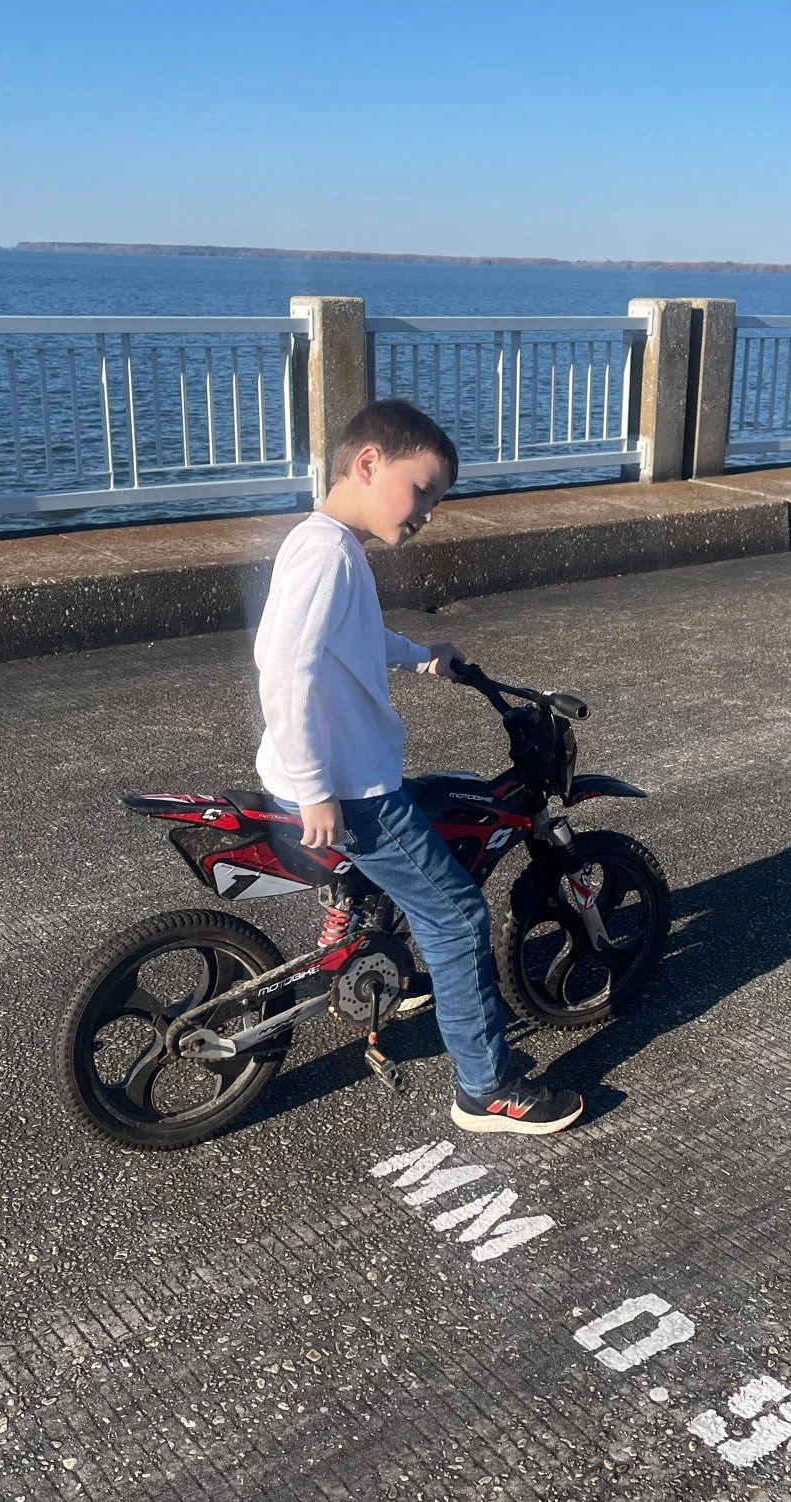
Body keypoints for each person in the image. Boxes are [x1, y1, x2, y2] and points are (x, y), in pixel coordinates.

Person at [253, 398, 584, 1135]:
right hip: (348, 788)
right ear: (368, 463)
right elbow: (284, 667)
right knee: (458, 913)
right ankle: (486, 1088)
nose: (430, 511)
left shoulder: (326, 543)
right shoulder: (329, 557)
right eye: (424, 489)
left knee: (439, 802)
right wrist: (315, 790)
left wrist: (421, 656)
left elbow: (353, 640)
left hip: (336, 773)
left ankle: (354, 930)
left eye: (438, 499)